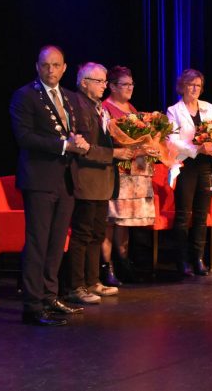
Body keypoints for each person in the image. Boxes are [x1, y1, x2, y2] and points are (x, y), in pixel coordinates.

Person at [9, 45, 90, 326]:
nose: (51, 70)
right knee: (37, 242)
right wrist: (63, 145)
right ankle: (32, 305)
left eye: (56, 65)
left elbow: (70, 131)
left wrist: (77, 141)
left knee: (56, 244)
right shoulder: (25, 96)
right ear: (37, 66)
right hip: (40, 180)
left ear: (65, 68)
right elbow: (25, 137)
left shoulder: (68, 97)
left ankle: (50, 296)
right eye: (46, 65)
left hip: (65, 180)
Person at [65, 63, 134, 305]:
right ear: (83, 82)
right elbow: (82, 147)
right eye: (99, 81)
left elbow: (104, 141)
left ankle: (93, 281)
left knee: (96, 234)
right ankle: (75, 286)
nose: (104, 86)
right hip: (86, 178)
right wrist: (115, 154)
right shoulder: (75, 105)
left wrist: (130, 147)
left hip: (103, 180)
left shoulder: (98, 108)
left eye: (105, 81)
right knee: (82, 234)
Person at [101, 66, 152, 286]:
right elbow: (106, 142)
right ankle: (106, 268)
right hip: (115, 172)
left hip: (133, 174)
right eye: (125, 84)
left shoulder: (131, 108)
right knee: (110, 222)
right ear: (112, 86)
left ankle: (123, 263)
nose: (130, 88)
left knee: (124, 223)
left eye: (132, 84)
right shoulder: (105, 108)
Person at [166, 69, 212, 277]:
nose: (194, 89)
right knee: (183, 215)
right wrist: (196, 149)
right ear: (182, 87)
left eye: (198, 85)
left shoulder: (208, 108)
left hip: (206, 165)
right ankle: (182, 260)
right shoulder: (174, 110)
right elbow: (172, 139)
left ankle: (198, 258)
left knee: (202, 215)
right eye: (190, 85)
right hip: (186, 165)